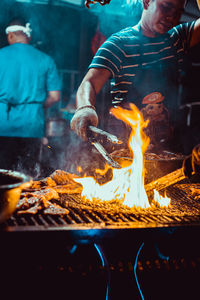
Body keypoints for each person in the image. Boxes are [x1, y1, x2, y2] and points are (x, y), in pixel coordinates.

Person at [71, 0, 200, 154]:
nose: (171, 17)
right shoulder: (118, 44)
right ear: (146, 2)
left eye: (178, 12)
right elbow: (90, 82)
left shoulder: (177, 39)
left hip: (168, 152)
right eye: (166, 7)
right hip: (126, 152)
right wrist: (85, 108)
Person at [0, 17, 61, 178]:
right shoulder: (46, 60)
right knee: (28, 175)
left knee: (3, 174)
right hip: (32, 125)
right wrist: (36, 107)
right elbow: (55, 96)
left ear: (10, 36)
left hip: (3, 125)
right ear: (29, 37)